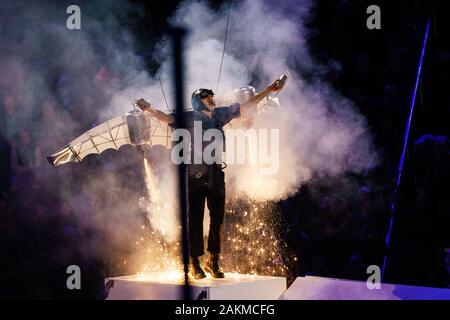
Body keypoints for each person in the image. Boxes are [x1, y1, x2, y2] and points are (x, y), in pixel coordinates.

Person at [137, 77, 283, 279]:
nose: (212, 98)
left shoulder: (220, 114)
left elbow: (247, 106)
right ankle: (194, 262)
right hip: (196, 172)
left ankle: (213, 260)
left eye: (212, 96)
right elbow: (166, 118)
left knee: (218, 218)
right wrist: (148, 109)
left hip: (216, 172)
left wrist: (269, 89)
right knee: (195, 219)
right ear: (198, 100)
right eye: (207, 97)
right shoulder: (188, 117)